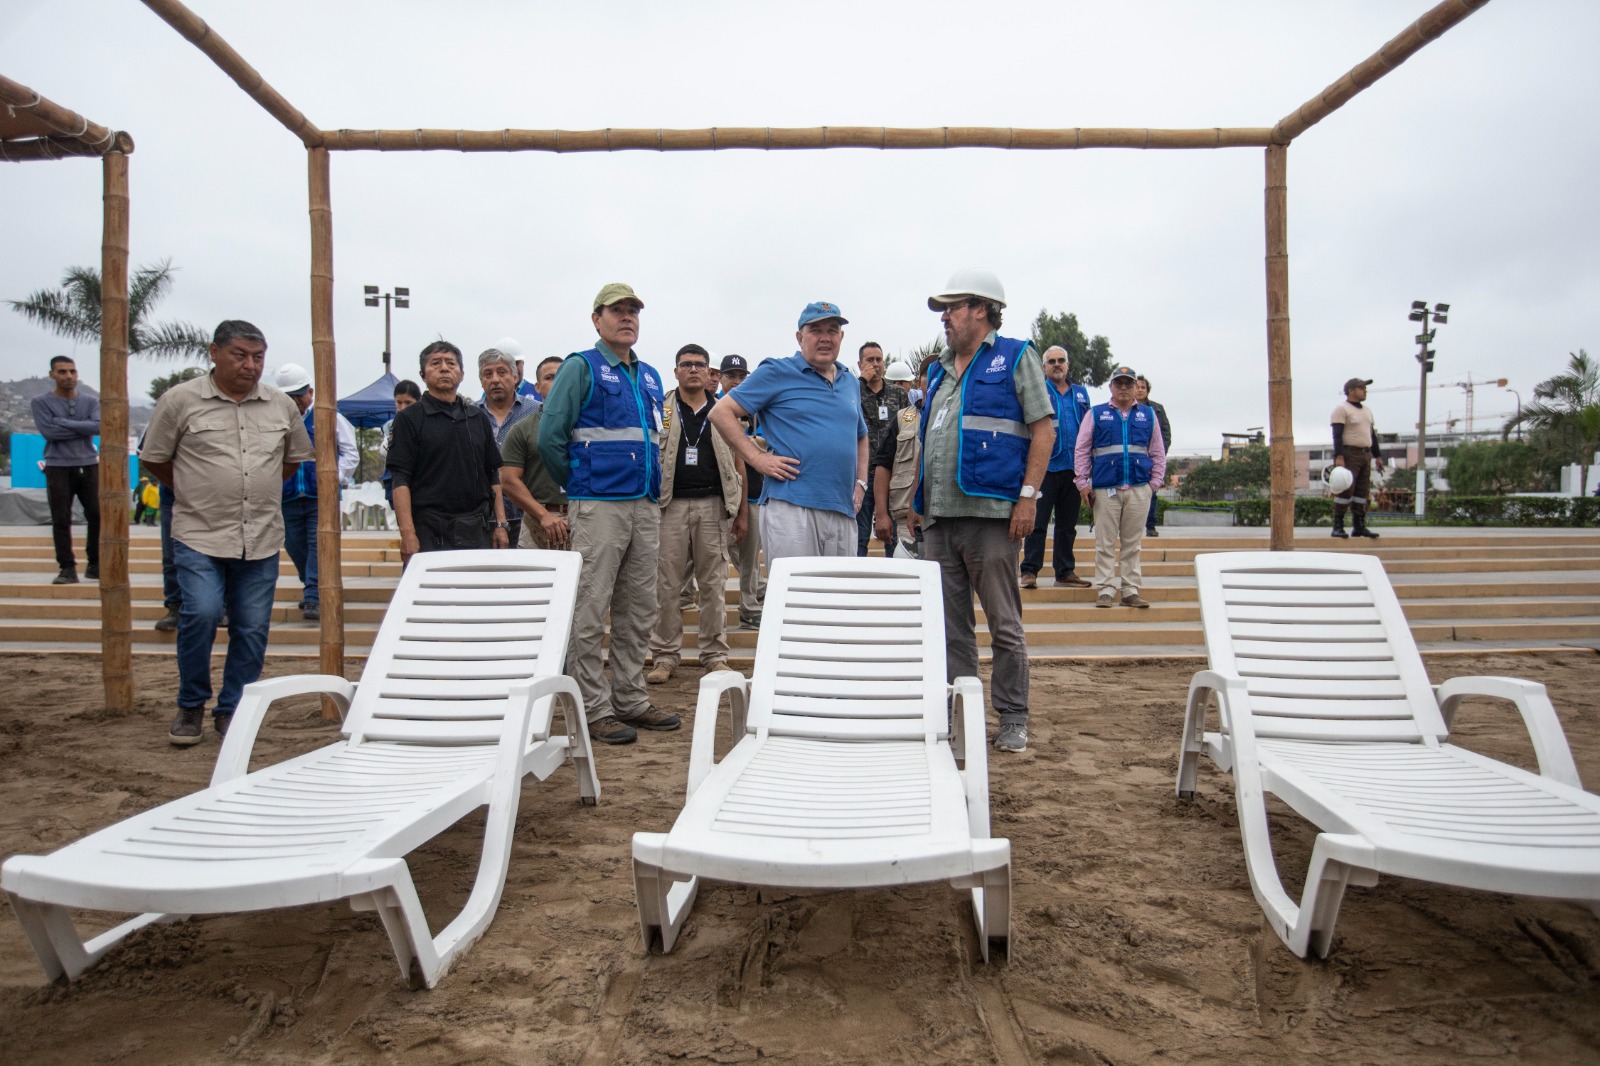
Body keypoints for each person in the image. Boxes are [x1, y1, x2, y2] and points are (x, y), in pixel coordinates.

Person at [139, 319, 313, 746]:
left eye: (258, 357)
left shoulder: (280, 406)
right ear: (214, 352)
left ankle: (232, 710)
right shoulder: (180, 401)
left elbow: (291, 461)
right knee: (199, 613)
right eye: (240, 355)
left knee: (252, 628)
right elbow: (155, 460)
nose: (250, 366)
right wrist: (197, 489)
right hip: (199, 532)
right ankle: (190, 704)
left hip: (261, 537)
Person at [914, 270, 1055, 755]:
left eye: (950, 309)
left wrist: (1029, 496)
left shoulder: (1016, 356)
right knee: (950, 629)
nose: (944, 319)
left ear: (980, 309)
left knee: (1003, 624)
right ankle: (962, 718)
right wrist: (918, 506)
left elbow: (1043, 430)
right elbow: (928, 442)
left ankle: (1013, 716)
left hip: (993, 515)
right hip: (939, 520)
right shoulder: (939, 370)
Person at [538, 283, 680, 745]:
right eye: (617, 311)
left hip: (644, 505)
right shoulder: (582, 367)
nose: (627, 318)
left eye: (633, 311)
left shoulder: (651, 376)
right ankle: (592, 707)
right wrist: (581, 482)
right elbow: (549, 439)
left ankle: (631, 699)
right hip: (598, 503)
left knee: (639, 607)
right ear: (596, 319)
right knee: (589, 607)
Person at [710, 301, 868, 563]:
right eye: (816, 330)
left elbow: (861, 434)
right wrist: (758, 459)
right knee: (793, 599)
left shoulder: (850, 381)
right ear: (800, 337)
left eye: (832, 330)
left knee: (839, 599)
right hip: (792, 508)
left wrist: (861, 483)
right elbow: (720, 412)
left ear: (841, 337)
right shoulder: (777, 371)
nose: (825, 338)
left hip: (843, 509)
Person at [647, 344, 747, 684]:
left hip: (714, 506)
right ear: (675, 371)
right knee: (667, 586)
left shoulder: (724, 410)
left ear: (709, 374)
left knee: (714, 584)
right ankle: (664, 656)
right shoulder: (660, 410)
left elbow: (739, 460)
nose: (692, 370)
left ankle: (715, 655)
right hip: (669, 506)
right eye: (685, 364)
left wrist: (742, 512)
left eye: (699, 365)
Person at [386, 341, 510, 566]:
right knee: (431, 598)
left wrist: (500, 524)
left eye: (450, 363)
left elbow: (493, 474)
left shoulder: (477, 417)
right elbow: (400, 478)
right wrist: (408, 534)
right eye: (436, 363)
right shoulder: (409, 419)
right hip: (429, 531)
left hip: (476, 529)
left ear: (462, 374)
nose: (444, 368)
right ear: (423, 374)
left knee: (476, 597)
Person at [1075, 365, 1167, 609]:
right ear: (1111, 387)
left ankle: (1130, 589)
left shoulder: (1148, 415)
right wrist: (1082, 482)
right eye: (1119, 383)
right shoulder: (1095, 414)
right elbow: (1082, 449)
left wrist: (1154, 483)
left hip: (1139, 487)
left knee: (1132, 543)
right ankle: (1105, 589)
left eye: (1129, 383)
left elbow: (1157, 451)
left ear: (1136, 387)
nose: (1124, 388)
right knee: (1105, 543)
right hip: (1106, 489)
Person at [275, 362, 359, 621]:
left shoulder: (329, 416)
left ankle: (312, 595)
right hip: (287, 495)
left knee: (317, 544)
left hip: (320, 497)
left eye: (299, 395)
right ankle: (314, 584)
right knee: (294, 544)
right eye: (289, 397)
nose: (295, 401)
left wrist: (334, 478)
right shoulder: (276, 420)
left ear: (309, 392)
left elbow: (350, 453)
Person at [1020, 346, 1092, 589]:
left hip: (1073, 469)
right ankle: (1029, 571)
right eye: (1051, 361)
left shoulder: (1080, 393)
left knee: (1066, 525)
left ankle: (1065, 571)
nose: (1057, 364)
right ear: (1044, 367)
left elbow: (1087, 429)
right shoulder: (1038, 390)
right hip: (1045, 468)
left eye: (1061, 360)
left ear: (1068, 365)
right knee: (1037, 523)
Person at [31, 355, 101, 584]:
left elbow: (99, 427)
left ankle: (95, 563)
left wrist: (63, 422)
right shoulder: (41, 403)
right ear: (52, 374)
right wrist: (83, 428)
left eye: (72, 371)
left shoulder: (90, 401)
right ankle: (67, 568)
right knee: (61, 518)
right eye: (62, 372)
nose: (68, 376)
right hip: (58, 466)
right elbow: (50, 433)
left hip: (89, 463)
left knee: (97, 515)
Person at [499, 356, 569, 549]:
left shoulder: (589, 427)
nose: (556, 382)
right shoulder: (522, 429)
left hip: (585, 519)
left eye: (562, 377)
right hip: (538, 523)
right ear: (537, 387)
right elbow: (508, 481)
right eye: (549, 377)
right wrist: (543, 515)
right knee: (535, 579)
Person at [717, 354, 766, 628]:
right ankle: (757, 588)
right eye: (730, 376)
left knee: (749, 555)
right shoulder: (714, 409)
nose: (736, 381)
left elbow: (769, 445)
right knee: (723, 551)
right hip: (722, 494)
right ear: (721, 378)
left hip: (755, 493)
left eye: (741, 376)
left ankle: (749, 607)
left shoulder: (759, 408)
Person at [476, 345, 538, 546]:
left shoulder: (536, 413)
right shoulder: (469, 416)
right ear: (481, 380)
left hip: (529, 516)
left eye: (502, 372)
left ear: (515, 377)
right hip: (482, 520)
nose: (495, 379)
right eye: (488, 373)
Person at [855, 341, 911, 556]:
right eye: (870, 360)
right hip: (862, 478)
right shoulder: (853, 390)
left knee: (894, 539)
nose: (875, 364)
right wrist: (861, 382)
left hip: (893, 477)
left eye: (879, 360)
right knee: (859, 538)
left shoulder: (898, 394)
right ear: (860, 364)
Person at [872, 363, 923, 558]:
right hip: (906, 521)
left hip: (949, 520)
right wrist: (881, 514)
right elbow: (883, 465)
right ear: (920, 382)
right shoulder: (904, 418)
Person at [1331, 377, 1384, 539]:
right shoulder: (1341, 409)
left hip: (1365, 453)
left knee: (1362, 491)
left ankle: (1359, 525)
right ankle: (1338, 525)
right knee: (1346, 489)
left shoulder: (1367, 410)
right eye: (1361, 388)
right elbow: (1337, 435)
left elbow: (1372, 435)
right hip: (1349, 453)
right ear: (1351, 391)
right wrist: (1339, 456)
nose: (1364, 391)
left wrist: (1378, 456)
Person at [1134, 375, 1171, 538]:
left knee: (1152, 493)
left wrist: (1159, 456)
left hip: (1150, 459)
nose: (1140, 389)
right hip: (1131, 458)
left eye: (1143, 387)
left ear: (1147, 390)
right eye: (1137, 386)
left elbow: (1165, 433)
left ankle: (1151, 526)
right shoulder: (1124, 408)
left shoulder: (1157, 409)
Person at [377, 379, 421, 508]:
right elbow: (384, 451)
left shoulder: (425, 424)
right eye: (399, 402)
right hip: (395, 482)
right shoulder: (389, 426)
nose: (403, 407)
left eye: (408, 402)